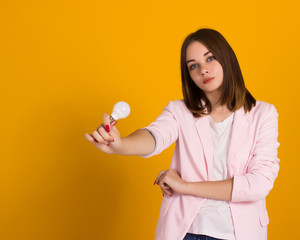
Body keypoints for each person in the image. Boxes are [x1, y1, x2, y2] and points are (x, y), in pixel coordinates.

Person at [84, 28, 280, 240]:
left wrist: (185, 186)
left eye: (210, 58)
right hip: (186, 232)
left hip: (238, 234)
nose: (203, 70)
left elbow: (258, 184)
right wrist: (120, 144)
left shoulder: (264, 114)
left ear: (227, 58)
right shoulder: (180, 111)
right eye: (193, 66)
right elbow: (154, 136)